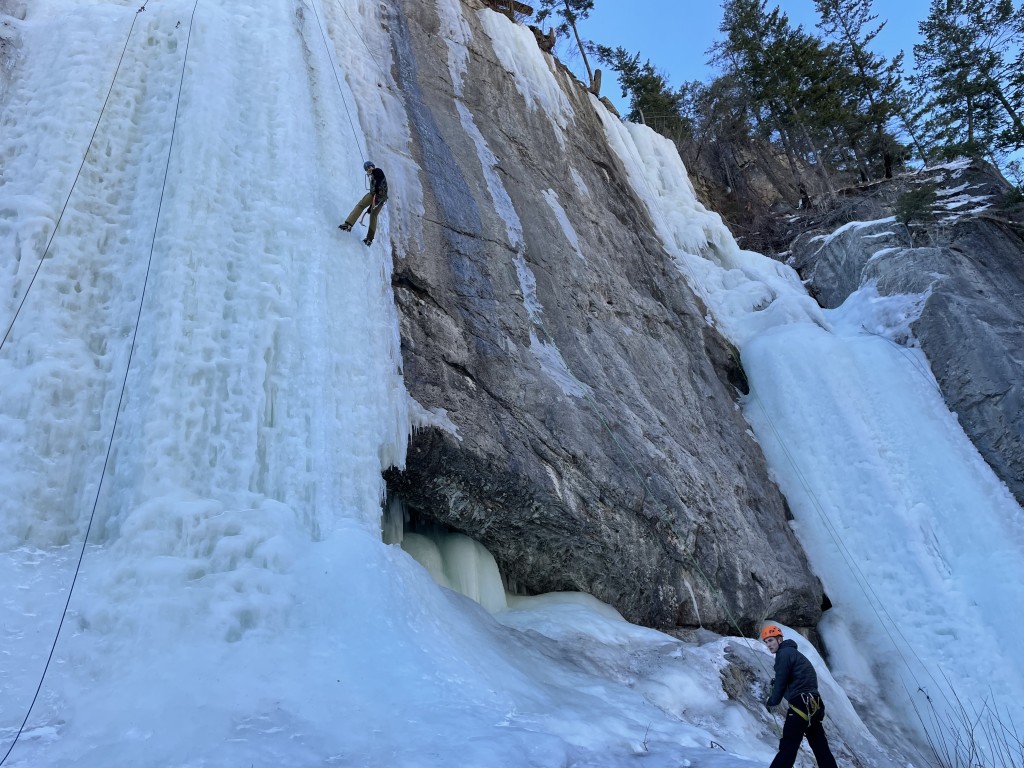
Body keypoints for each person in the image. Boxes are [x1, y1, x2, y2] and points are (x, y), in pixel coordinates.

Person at [762, 625, 839, 768]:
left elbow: (781, 681)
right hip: (815, 705)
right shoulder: (795, 654)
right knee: (820, 746)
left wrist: (772, 701)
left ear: (779, 640)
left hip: (801, 704)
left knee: (788, 745)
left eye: (771, 640)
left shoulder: (784, 654)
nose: (768, 645)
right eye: (766, 642)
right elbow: (796, 681)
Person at [339, 160, 388, 246]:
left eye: (370, 167)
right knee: (373, 215)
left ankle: (348, 224)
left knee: (361, 206)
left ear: (373, 166)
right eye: (367, 168)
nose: (369, 169)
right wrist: (370, 207)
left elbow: (378, 176)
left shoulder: (377, 171)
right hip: (380, 200)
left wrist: (372, 172)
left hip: (375, 197)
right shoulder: (373, 175)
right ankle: (369, 239)